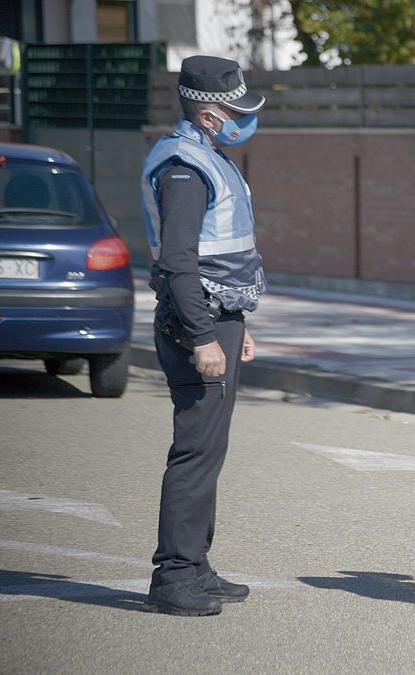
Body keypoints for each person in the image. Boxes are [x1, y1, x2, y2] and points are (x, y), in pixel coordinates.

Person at [140, 55, 267, 616]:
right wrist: (201, 336)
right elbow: (178, 262)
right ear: (211, 115)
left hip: (218, 318)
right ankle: (175, 576)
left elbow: (225, 256)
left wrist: (235, 325)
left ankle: (197, 564)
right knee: (194, 452)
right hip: (196, 322)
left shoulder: (206, 157)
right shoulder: (184, 171)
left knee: (209, 450)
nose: (246, 121)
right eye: (237, 111)